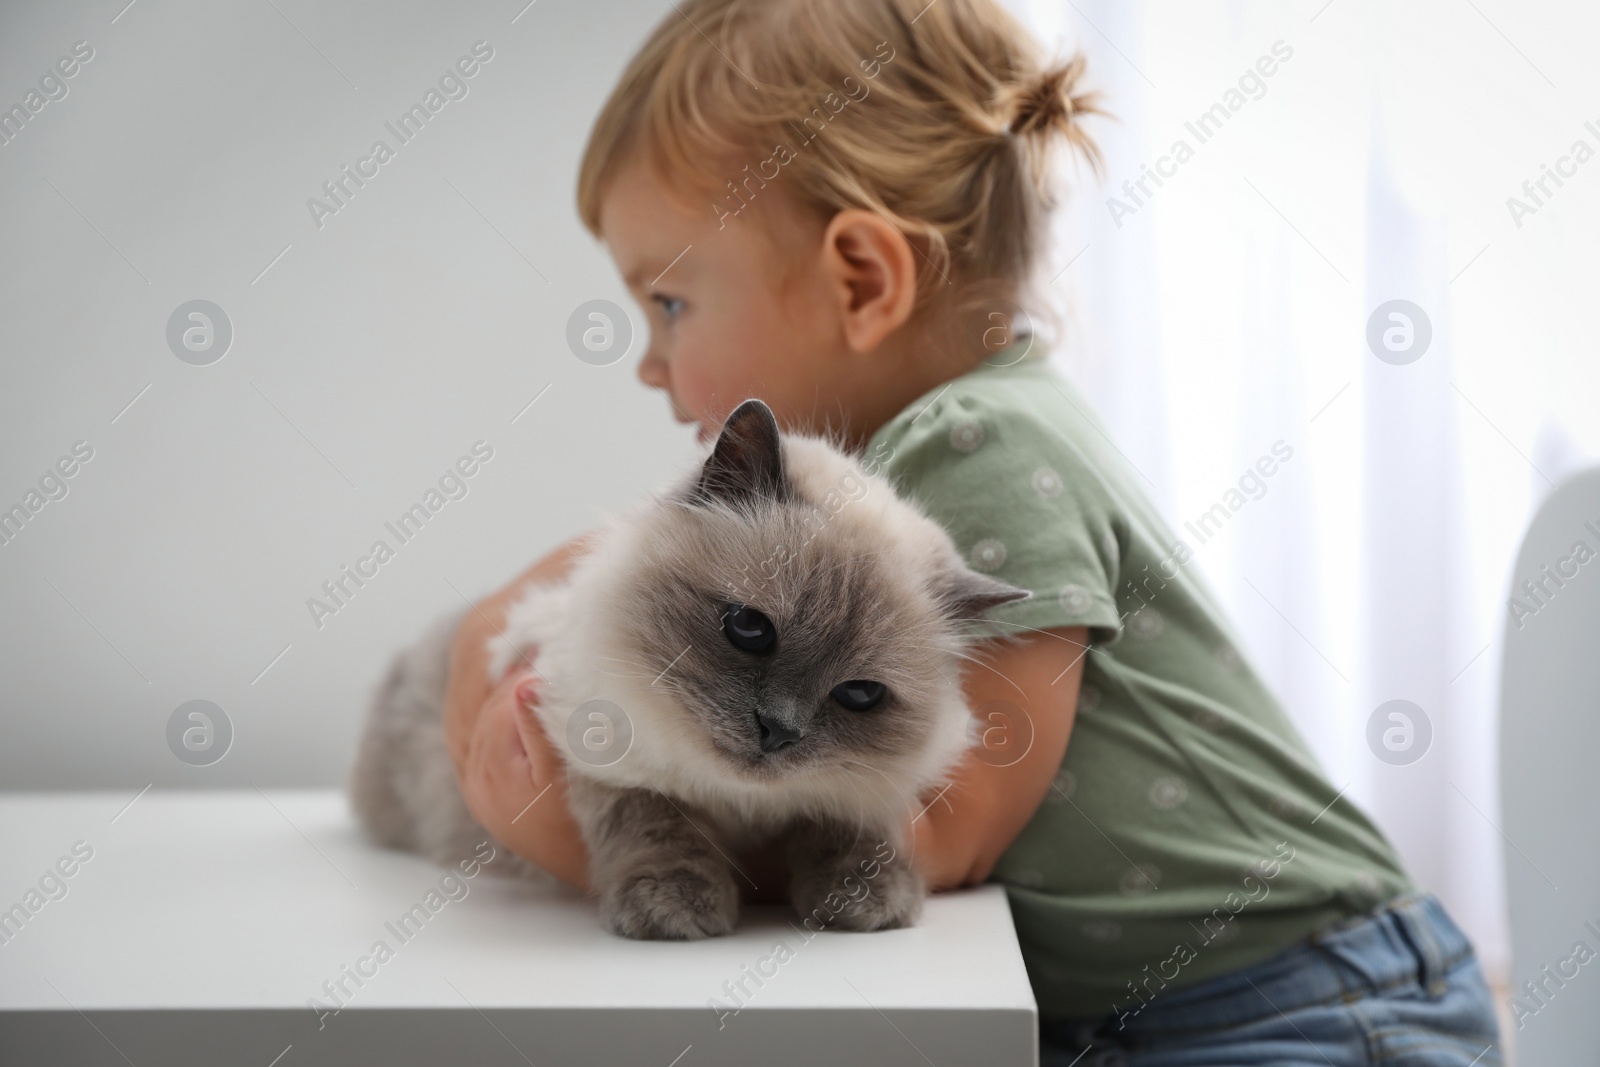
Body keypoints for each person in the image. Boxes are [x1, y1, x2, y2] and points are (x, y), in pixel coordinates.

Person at [442, 1, 1502, 1061]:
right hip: (1147, 1013)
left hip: (1304, 997)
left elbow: (934, 837)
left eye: (669, 303)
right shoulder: (885, 492)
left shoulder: (974, 444)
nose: (649, 360)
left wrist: (582, 831)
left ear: (862, 278)